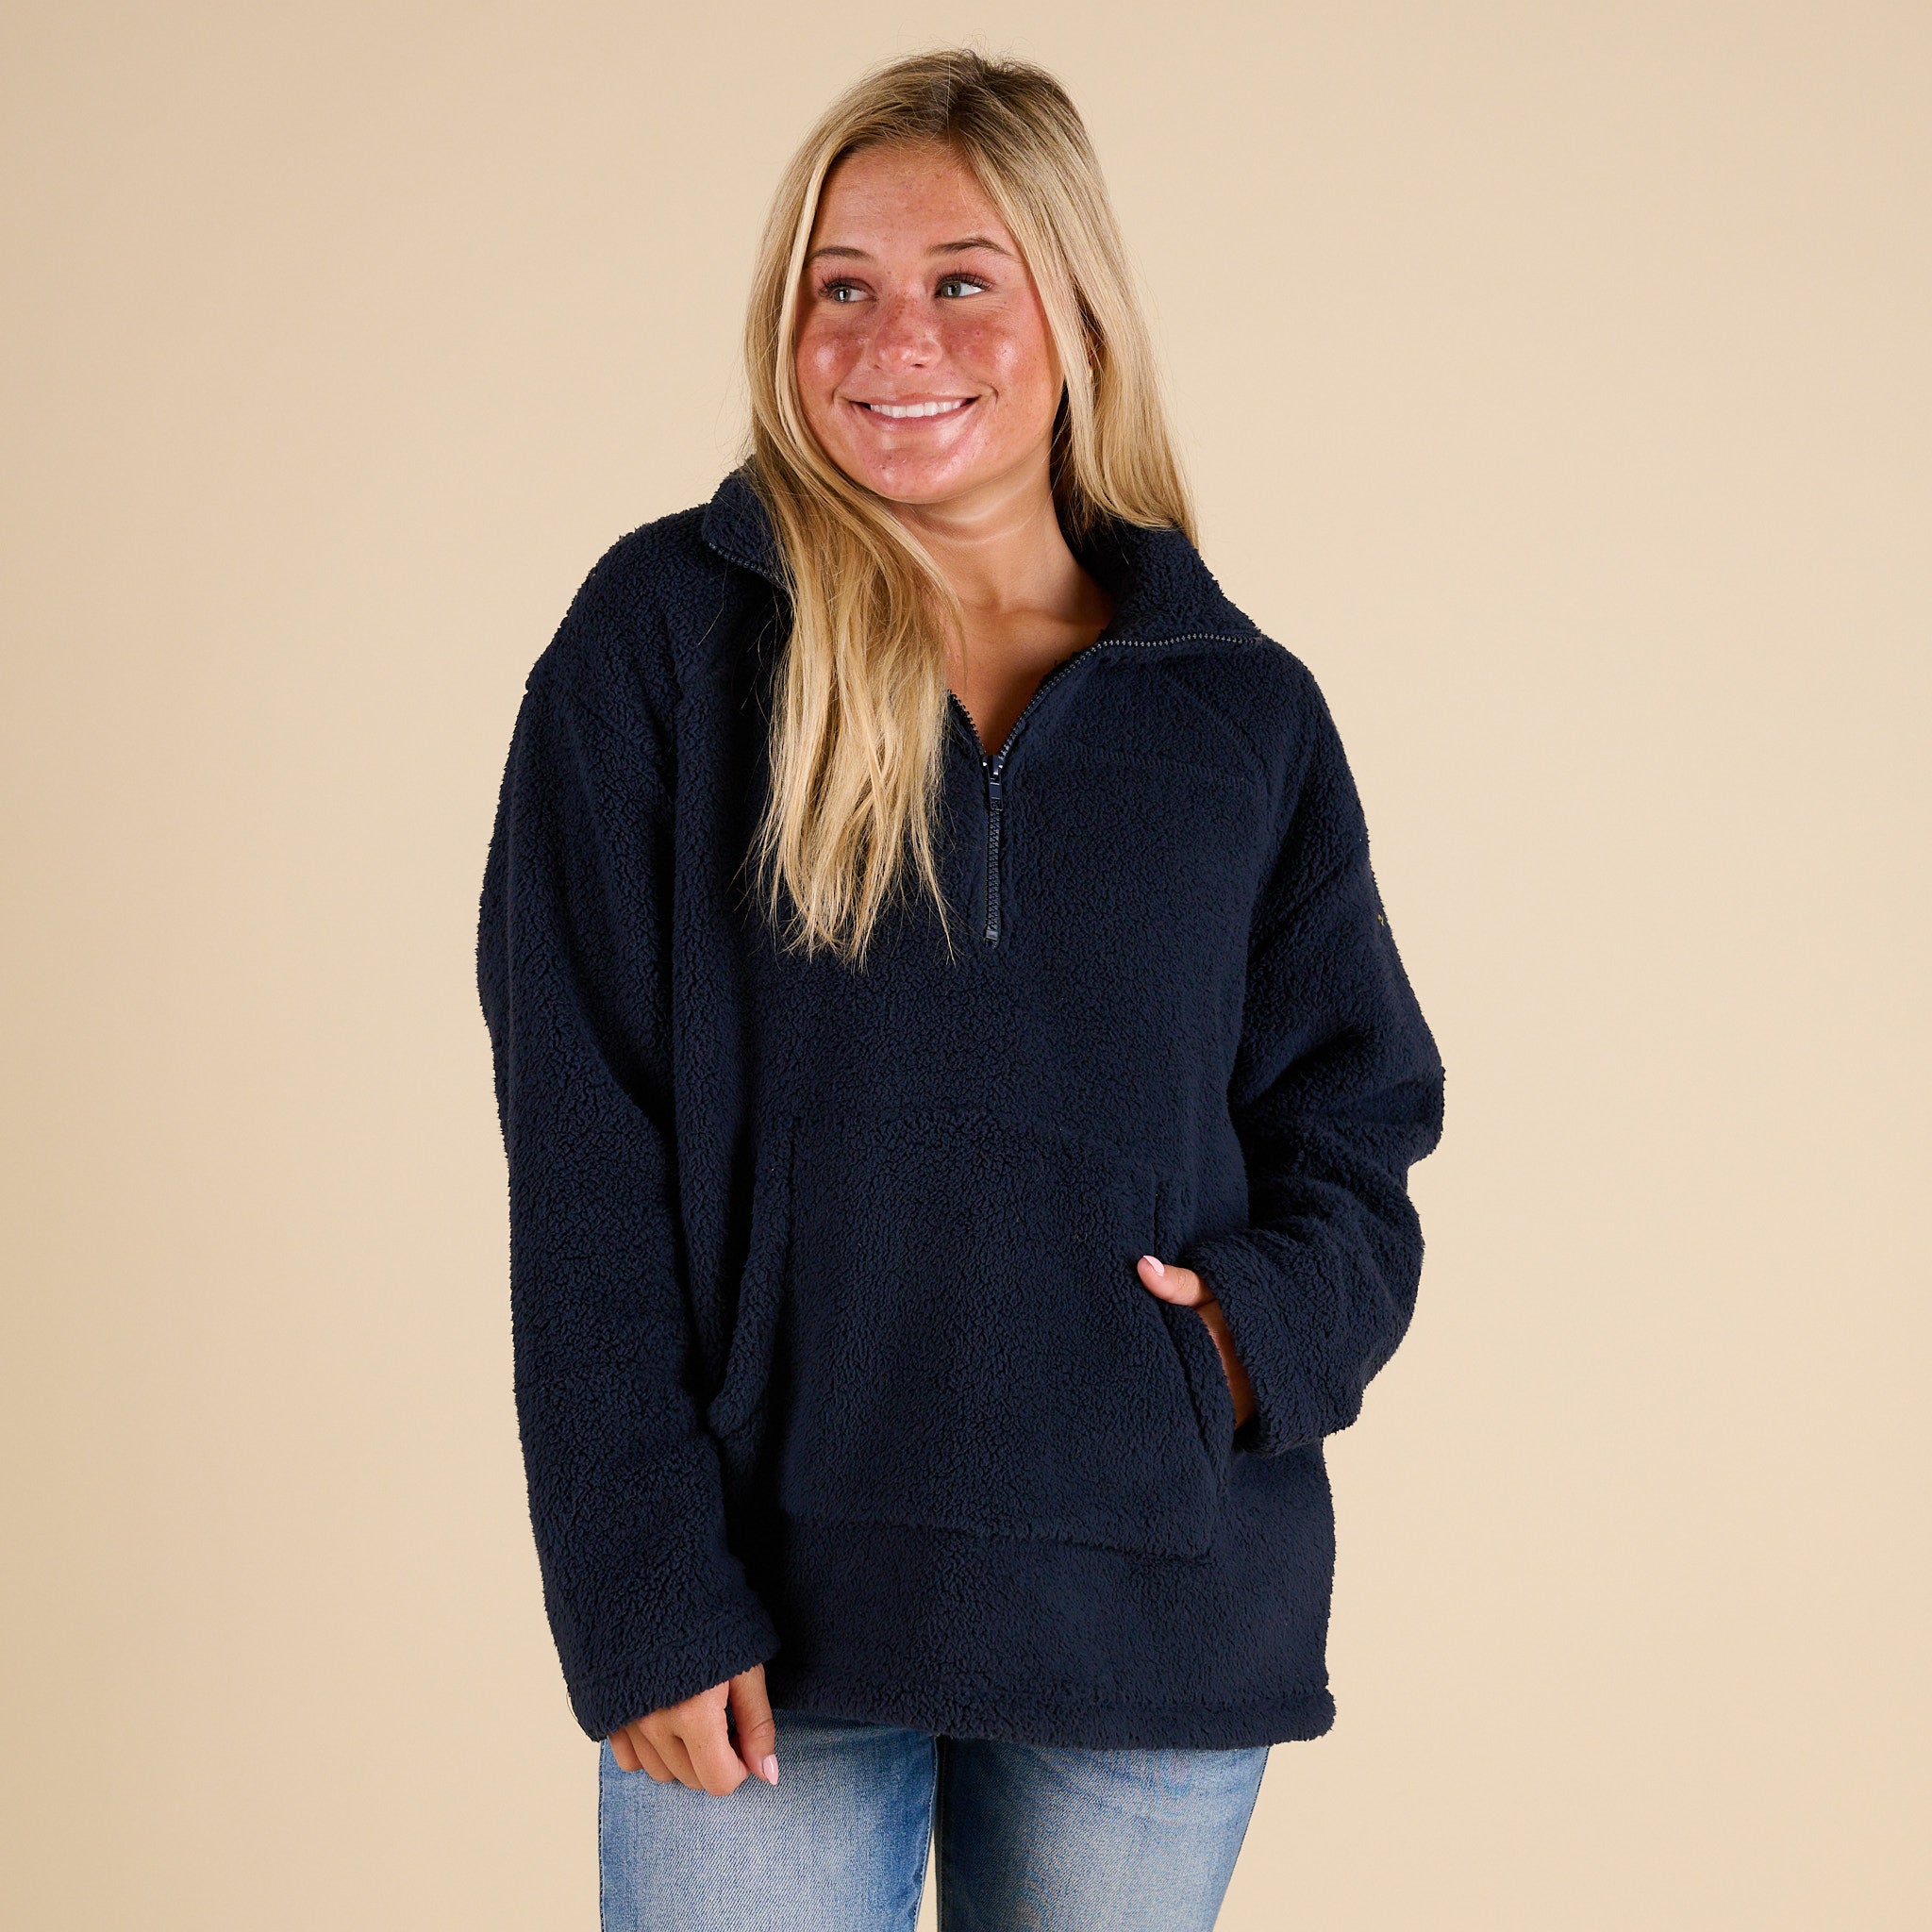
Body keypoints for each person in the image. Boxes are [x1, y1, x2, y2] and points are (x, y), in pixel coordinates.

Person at [476, 45, 1445, 1932]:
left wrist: (1236, 1346)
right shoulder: (662, 646)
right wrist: (640, 1589)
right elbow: (582, 1157)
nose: (892, 339)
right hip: (760, 1622)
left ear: (1074, 310)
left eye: (958, 280)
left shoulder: (1239, 713)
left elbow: (1356, 1124)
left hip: (1150, 1614)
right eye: (840, 285)